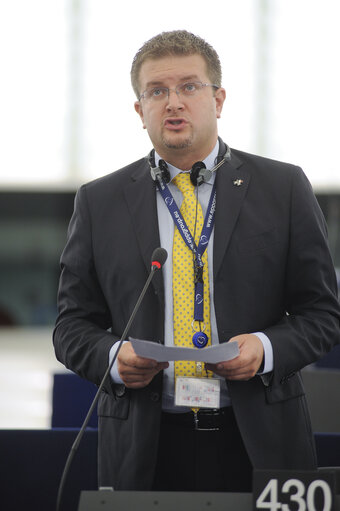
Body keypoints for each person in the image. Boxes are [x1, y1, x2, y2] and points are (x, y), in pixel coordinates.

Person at [53, 30, 340, 493]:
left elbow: (323, 314)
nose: (173, 103)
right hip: (144, 445)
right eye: (157, 91)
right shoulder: (98, 201)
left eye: (189, 86)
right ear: (139, 109)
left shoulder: (283, 188)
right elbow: (70, 327)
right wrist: (113, 357)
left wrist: (265, 349)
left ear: (218, 99)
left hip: (260, 440)